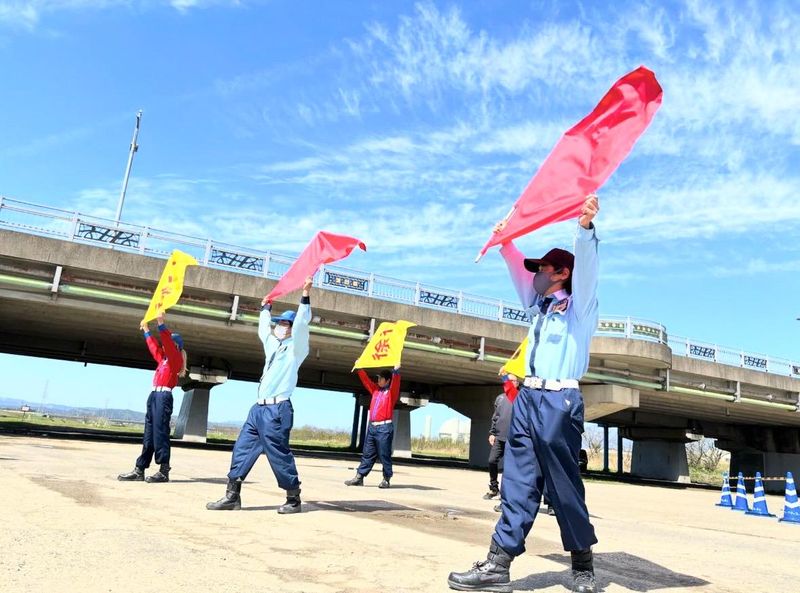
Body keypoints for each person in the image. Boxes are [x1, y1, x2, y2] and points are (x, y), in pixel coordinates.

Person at [448, 194, 600, 593]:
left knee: (563, 483)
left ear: (562, 274)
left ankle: (582, 566)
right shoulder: (540, 307)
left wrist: (583, 230)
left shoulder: (580, 308)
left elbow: (588, 270)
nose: (536, 274)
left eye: (544, 269)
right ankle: (498, 564)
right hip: (529, 399)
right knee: (517, 480)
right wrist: (506, 242)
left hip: (558, 401)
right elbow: (517, 270)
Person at [206, 276, 312, 514]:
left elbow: (303, 324)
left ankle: (293, 498)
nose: (282, 326)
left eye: (287, 324)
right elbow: (264, 328)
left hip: (277, 409)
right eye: (281, 323)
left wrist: (305, 295)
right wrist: (266, 308)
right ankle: (232, 496)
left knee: (278, 454)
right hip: (258, 409)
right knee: (241, 449)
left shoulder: (297, 348)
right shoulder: (272, 343)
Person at [118, 311, 187, 484]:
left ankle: (164, 470)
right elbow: (154, 347)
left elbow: (166, 344)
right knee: (149, 433)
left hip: (163, 397)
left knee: (160, 433)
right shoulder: (163, 359)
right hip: (154, 395)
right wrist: (146, 330)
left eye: (169, 344)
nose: (164, 347)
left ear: (175, 346)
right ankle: (140, 469)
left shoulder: (175, 359)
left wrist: (161, 322)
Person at [345, 365, 401, 488]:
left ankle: (386, 479)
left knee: (384, 454)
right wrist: (360, 369)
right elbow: (366, 381)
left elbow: (396, 383)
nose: (378, 380)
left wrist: (396, 371)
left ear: (387, 381)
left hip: (384, 428)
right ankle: (359, 477)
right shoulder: (375, 390)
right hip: (372, 428)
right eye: (378, 378)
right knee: (367, 453)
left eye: (381, 379)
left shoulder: (391, 393)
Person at [483, 373, 519, 500]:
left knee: (509, 467)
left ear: (517, 383)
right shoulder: (500, 399)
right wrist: (492, 433)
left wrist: (504, 375)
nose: (509, 383)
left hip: (514, 438)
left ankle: (507, 494)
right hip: (499, 436)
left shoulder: (519, 397)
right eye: (507, 381)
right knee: (492, 461)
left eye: (512, 381)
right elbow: (496, 417)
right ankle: (494, 489)